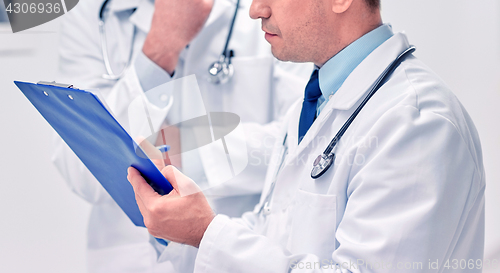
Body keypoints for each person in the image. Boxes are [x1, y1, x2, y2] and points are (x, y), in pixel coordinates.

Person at [127, 0, 486, 272]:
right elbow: (272, 228)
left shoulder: (417, 125)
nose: (255, 9)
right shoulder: (318, 99)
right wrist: (180, 229)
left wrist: (206, 233)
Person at [52, 0, 312, 272]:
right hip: (126, 255)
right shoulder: (93, 12)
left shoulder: (274, 8)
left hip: (233, 251)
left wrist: (185, 153)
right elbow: (79, 168)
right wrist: (160, 49)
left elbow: (306, 144)